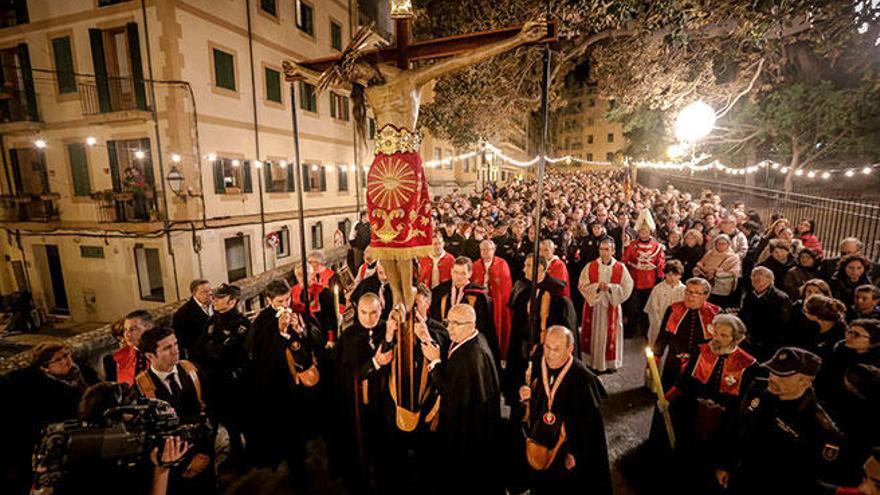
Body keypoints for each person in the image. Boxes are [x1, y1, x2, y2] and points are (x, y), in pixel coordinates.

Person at [717, 347, 843, 495]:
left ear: (806, 381)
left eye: (783, 376)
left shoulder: (819, 426)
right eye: (773, 371)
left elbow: (811, 477)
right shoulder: (758, 387)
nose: (773, 378)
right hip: (740, 476)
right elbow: (737, 424)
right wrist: (724, 464)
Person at [654, 314, 757, 494]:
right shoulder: (701, 350)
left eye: (724, 336)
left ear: (738, 339)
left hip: (723, 421)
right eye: (715, 333)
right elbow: (684, 380)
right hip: (693, 411)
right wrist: (668, 398)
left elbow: (744, 401)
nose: (717, 339)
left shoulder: (748, 365)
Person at [518, 326, 612, 495]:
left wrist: (576, 453)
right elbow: (532, 387)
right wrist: (526, 396)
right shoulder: (539, 359)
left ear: (570, 349)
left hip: (565, 451)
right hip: (540, 443)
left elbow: (589, 429)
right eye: (547, 346)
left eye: (556, 349)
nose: (550, 354)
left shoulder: (583, 379)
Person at [421, 304, 503, 494]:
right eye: (448, 322)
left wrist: (434, 363)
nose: (449, 328)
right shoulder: (471, 340)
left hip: (467, 430)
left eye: (455, 324)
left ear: (470, 324)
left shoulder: (471, 357)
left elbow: (451, 394)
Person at [246, 280, 324, 473]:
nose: (285, 304)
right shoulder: (262, 321)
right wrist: (281, 333)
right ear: (269, 300)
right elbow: (260, 353)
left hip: (301, 378)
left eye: (287, 299)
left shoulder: (298, 311)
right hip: (278, 382)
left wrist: (301, 331)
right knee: (286, 425)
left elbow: (315, 339)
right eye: (280, 301)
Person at [3, 343, 95, 495]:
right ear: (45, 368)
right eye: (58, 360)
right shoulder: (39, 390)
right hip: (60, 442)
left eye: (66, 355)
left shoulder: (84, 372)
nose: (66, 361)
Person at [135, 326, 215, 495]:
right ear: (150, 356)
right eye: (167, 348)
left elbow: (210, 410)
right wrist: (185, 463)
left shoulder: (191, 370)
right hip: (172, 470)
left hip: (204, 455)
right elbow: (148, 437)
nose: (175, 351)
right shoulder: (142, 389)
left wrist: (204, 453)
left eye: (175, 344)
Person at [335, 293, 394, 494]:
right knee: (360, 446)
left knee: (385, 447)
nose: (369, 318)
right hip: (358, 404)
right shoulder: (349, 336)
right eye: (363, 312)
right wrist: (375, 363)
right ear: (357, 311)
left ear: (381, 310)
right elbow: (345, 373)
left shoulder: (389, 329)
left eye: (374, 312)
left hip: (386, 400)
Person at [506, 254, 578, 408]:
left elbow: (563, 326)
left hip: (545, 350)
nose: (524, 269)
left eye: (528, 265)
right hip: (523, 346)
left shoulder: (556, 294)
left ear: (539, 268)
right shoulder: (523, 287)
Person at [193, 283, 249, 469]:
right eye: (214, 296)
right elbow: (199, 348)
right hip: (211, 381)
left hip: (231, 382)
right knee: (212, 422)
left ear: (232, 301)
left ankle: (240, 458)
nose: (213, 300)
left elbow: (226, 353)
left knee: (235, 423)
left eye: (219, 297)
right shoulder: (212, 320)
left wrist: (213, 350)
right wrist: (213, 350)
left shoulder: (241, 324)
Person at [430, 256, 500, 365]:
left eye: (463, 273)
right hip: (444, 341)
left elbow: (485, 326)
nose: (458, 277)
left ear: (470, 274)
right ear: (451, 271)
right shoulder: (440, 291)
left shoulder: (479, 296)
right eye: (456, 272)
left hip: (468, 346)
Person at [579, 236, 633, 372]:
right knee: (594, 334)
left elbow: (627, 287)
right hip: (595, 307)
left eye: (607, 249)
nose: (603, 252)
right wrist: (597, 286)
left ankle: (610, 363)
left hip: (611, 306)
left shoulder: (620, 268)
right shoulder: (590, 266)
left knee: (610, 335)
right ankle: (592, 362)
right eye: (601, 249)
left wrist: (610, 288)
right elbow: (582, 285)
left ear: (613, 251)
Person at [652, 278, 721, 386]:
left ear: (706, 296)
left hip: (700, 362)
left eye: (697, 293)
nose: (691, 296)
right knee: (668, 391)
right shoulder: (673, 309)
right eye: (688, 291)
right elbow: (663, 336)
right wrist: (656, 356)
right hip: (674, 360)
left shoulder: (715, 313)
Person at [623, 209, 665, 338]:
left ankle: (647, 331)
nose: (643, 233)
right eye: (641, 231)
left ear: (650, 232)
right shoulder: (632, 245)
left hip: (650, 281)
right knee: (633, 308)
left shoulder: (657, 246)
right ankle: (632, 330)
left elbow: (660, 263)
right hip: (635, 280)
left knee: (648, 308)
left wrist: (659, 278)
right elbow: (624, 260)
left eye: (645, 231)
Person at [737, 266, 792, 361]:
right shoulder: (750, 295)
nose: (755, 278)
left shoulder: (781, 298)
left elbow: (782, 324)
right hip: (749, 341)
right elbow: (743, 316)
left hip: (769, 344)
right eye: (753, 275)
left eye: (759, 275)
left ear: (770, 279)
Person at [472, 240, 513, 362]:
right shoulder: (475, 265)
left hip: (497, 304)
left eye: (488, 249)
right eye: (482, 250)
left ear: (493, 250)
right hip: (481, 306)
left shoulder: (502, 264)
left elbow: (505, 287)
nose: (485, 252)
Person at [644, 260, 686, 346]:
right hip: (660, 322)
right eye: (669, 275)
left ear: (680, 276)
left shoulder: (684, 290)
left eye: (675, 275)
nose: (672, 278)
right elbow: (653, 308)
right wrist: (658, 323)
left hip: (677, 323)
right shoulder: (658, 289)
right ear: (665, 274)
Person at [694, 234, 741, 308]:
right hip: (705, 285)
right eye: (719, 243)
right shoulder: (710, 253)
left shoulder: (733, 257)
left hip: (721, 288)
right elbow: (701, 263)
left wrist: (717, 272)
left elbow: (734, 272)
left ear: (728, 244)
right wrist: (701, 269)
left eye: (724, 244)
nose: (721, 246)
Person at [172, 279, 213, 359]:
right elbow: (180, 341)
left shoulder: (216, 305)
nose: (210, 294)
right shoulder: (183, 313)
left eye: (210, 290)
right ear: (194, 293)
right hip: (199, 356)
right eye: (205, 292)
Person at [802, 294, 849, 362]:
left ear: (814, 316)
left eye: (805, 311)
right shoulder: (812, 327)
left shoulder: (840, 334)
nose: (804, 313)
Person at [113, 309, 153, 385]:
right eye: (125, 330)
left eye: (133, 329)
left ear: (149, 328)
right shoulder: (120, 358)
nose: (127, 334)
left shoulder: (164, 350)